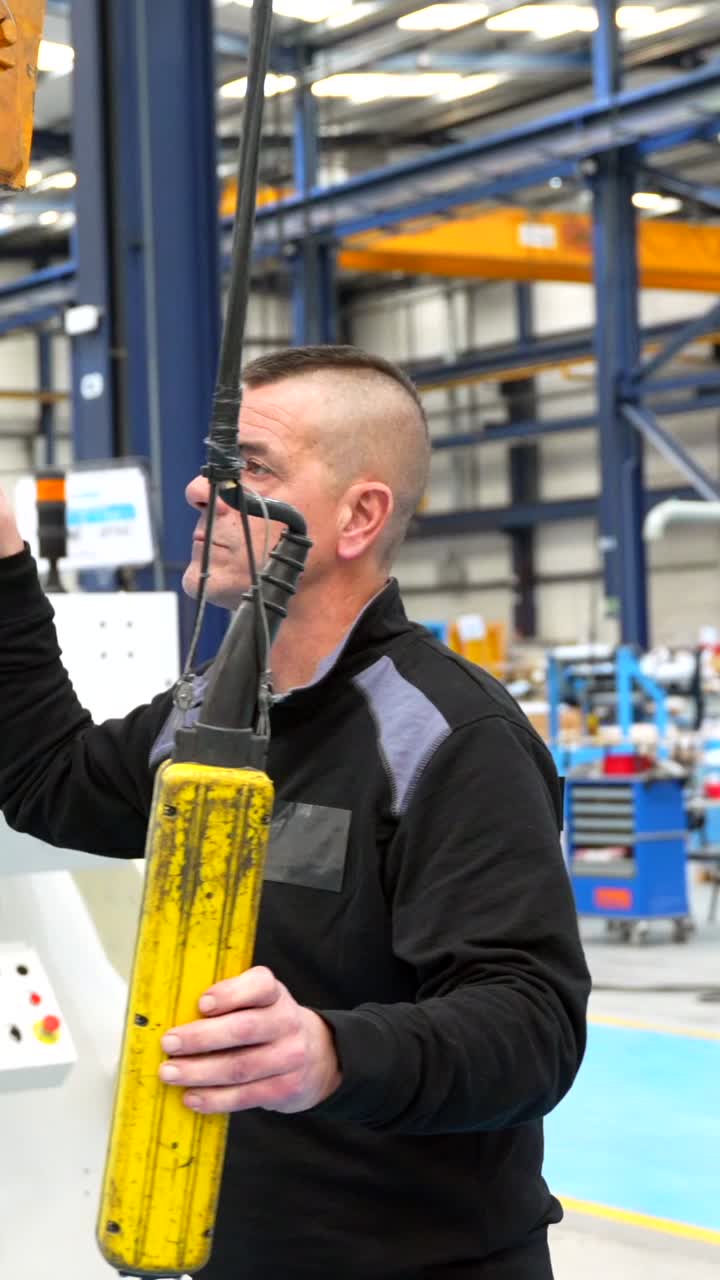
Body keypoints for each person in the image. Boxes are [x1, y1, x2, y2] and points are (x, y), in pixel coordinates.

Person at [0, 345, 590, 1279]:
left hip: (420, 1262)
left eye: (253, 470)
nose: (203, 491)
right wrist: (3, 568)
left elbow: (532, 1026)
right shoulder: (208, 714)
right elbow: (52, 783)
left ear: (359, 516)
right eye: (212, 465)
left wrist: (327, 1051)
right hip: (226, 1246)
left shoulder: (450, 734)